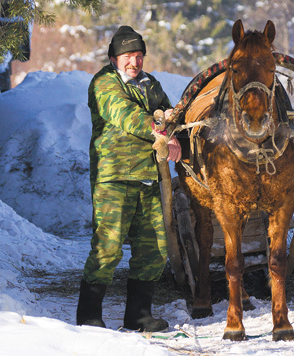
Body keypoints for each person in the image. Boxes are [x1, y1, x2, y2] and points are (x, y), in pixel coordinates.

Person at [76, 25, 181, 332]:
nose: (134, 62)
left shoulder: (150, 84)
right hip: (114, 178)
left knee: (154, 249)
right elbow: (127, 116)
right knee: (108, 247)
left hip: (149, 177)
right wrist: (160, 130)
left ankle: (139, 316)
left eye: (138, 55)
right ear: (113, 58)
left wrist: (175, 127)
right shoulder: (103, 83)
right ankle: (89, 317)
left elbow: (169, 114)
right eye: (127, 56)